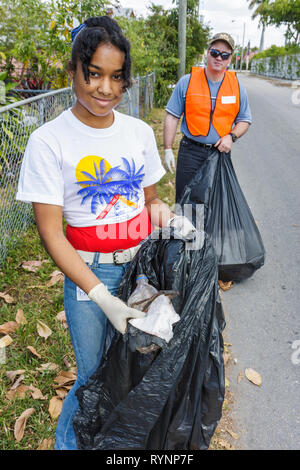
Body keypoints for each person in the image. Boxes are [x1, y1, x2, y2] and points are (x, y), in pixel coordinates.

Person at [16, 16, 196, 450]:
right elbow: (52, 234)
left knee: (134, 370)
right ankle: (70, 445)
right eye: (94, 74)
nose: (106, 89)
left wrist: (169, 219)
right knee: (94, 373)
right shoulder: (49, 141)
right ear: (74, 70)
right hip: (91, 278)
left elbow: (150, 201)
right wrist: (102, 297)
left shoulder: (136, 132)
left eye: (116, 77)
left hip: (142, 271)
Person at [163, 32, 252, 202]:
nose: (219, 58)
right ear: (207, 52)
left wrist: (231, 137)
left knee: (214, 203)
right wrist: (167, 148)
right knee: (186, 202)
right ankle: (188, 229)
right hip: (190, 152)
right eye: (215, 53)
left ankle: (207, 230)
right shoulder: (187, 82)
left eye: (225, 55)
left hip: (219, 154)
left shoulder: (237, 87)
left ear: (230, 58)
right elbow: (172, 116)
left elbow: (245, 119)